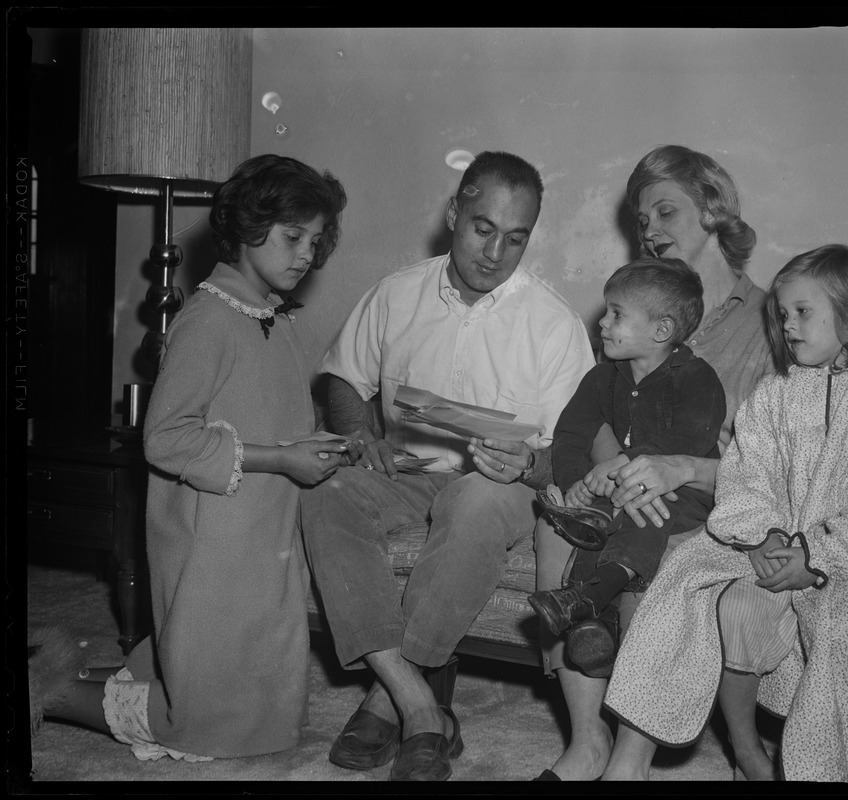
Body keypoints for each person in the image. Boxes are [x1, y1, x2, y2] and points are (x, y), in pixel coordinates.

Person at [28, 154, 350, 759]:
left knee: (261, 679)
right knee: (205, 705)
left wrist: (322, 447)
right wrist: (281, 459)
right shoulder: (207, 320)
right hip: (212, 538)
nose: (306, 253)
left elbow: (279, 417)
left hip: (264, 530)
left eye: (314, 240)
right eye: (291, 237)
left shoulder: (276, 321)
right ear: (245, 228)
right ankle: (53, 689)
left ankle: (120, 683)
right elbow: (167, 437)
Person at [300, 151, 594, 781]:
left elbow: (569, 458)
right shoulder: (395, 293)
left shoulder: (555, 325)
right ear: (454, 211)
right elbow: (343, 379)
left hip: (500, 487)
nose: (495, 252)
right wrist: (359, 434)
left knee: (474, 501)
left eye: (515, 239)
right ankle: (418, 700)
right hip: (407, 471)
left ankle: (389, 702)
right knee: (328, 493)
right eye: (482, 228)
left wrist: (529, 463)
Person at [603, 244, 848, 789]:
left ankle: (827, 774)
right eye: (782, 313)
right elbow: (746, 474)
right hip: (764, 542)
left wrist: (815, 558)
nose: (788, 325)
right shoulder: (773, 395)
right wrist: (764, 535)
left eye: (803, 312)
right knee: (682, 580)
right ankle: (628, 762)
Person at [533, 145, 773, 781]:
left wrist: (672, 473)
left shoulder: (772, 322)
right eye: (643, 220)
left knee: (660, 557)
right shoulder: (640, 307)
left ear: (715, 212)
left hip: (718, 495)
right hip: (635, 484)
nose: (651, 230)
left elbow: (777, 463)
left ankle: (631, 758)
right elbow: (598, 416)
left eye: (666, 211)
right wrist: (613, 471)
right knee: (558, 523)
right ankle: (588, 741)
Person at [528, 258, 725, 679]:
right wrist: (574, 481)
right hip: (618, 488)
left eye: (617, 314)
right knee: (586, 521)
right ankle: (594, 621)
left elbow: (688, 441)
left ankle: (587, 601)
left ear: (661, 331)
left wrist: (625, 463)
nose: (603, 322)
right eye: (607, 310)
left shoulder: (697, 378)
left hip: (681, 492)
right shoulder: (601, 379)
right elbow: (571, 433)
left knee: (646, 512)